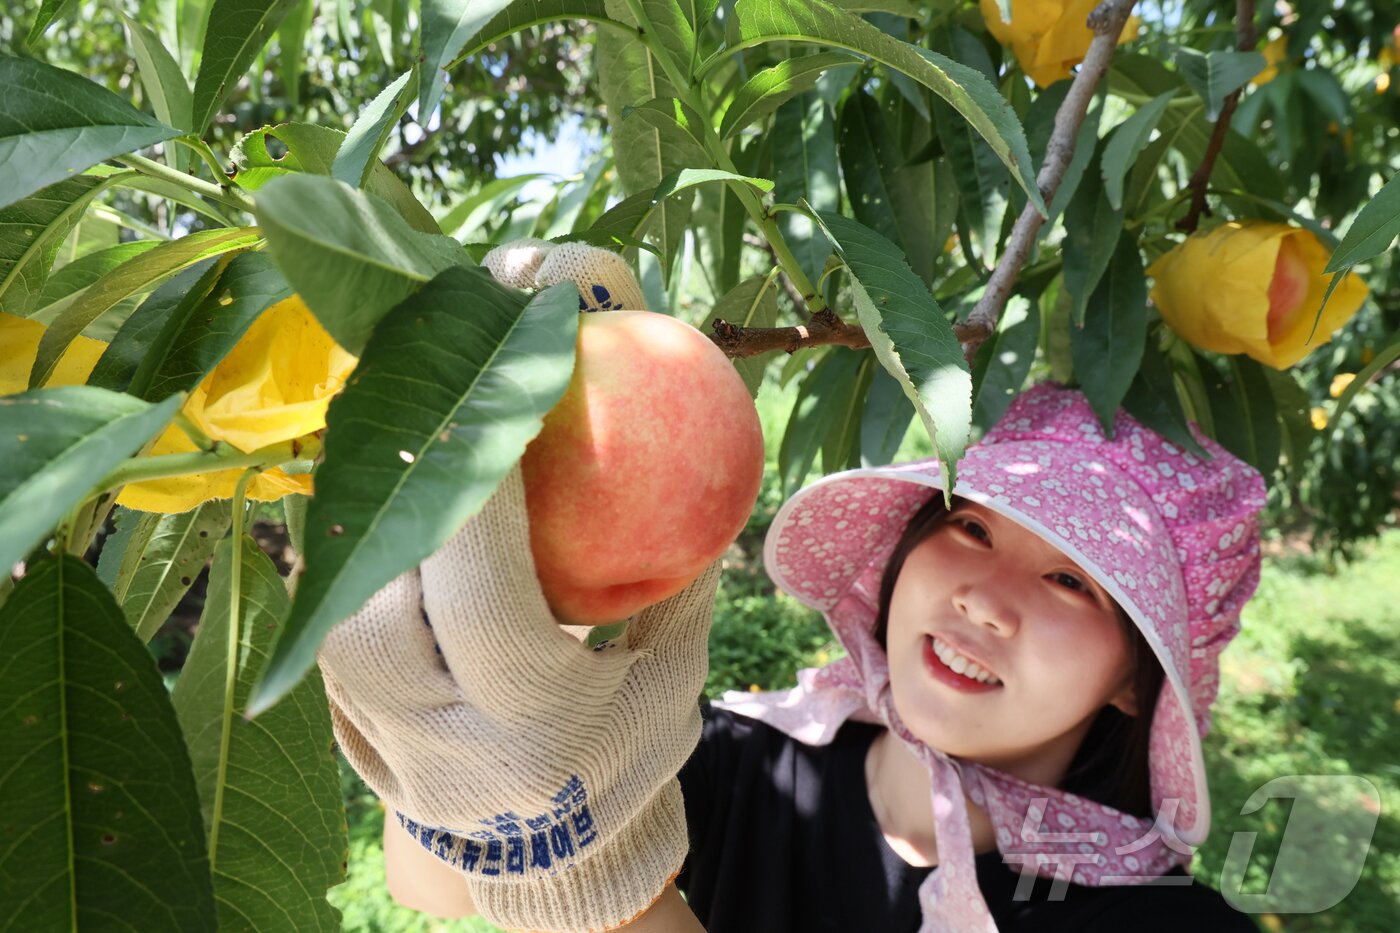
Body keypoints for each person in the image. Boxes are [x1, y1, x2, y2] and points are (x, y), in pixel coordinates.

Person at [319, 243, 1265, 932]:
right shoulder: (733, 760)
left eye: (1070, 580)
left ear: (1138, 675)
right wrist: (501, 662)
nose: (983, 598)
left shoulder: (1159, 919)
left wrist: (603, 884)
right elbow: (433, 885)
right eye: (971, 527)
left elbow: (566, 879)